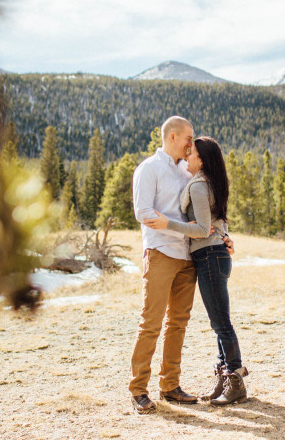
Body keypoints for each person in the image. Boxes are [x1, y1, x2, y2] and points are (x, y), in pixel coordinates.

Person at [143, 136, 248, 406]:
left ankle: (235, 381)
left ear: (201, 160)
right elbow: (215, 221)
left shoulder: (199, 186)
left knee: (221, 323)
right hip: (213, 255)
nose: (187, 155)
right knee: (218, 322)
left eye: (192, 153)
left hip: (210, 257)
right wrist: (225, 238)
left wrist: (168, 223)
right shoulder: (209, 183)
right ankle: (225, 378)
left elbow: (202, 229)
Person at [129, 116, 199, 413]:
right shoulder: (149, 169)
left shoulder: (187, 171)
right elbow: (143, 212)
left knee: (178, 324)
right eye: (188, 138)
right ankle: (138, 389)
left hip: (188, 257)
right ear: (173, 137)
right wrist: (176, 228)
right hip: (160, 253)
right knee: (151, 323)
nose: (191, 144)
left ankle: (170, 385)